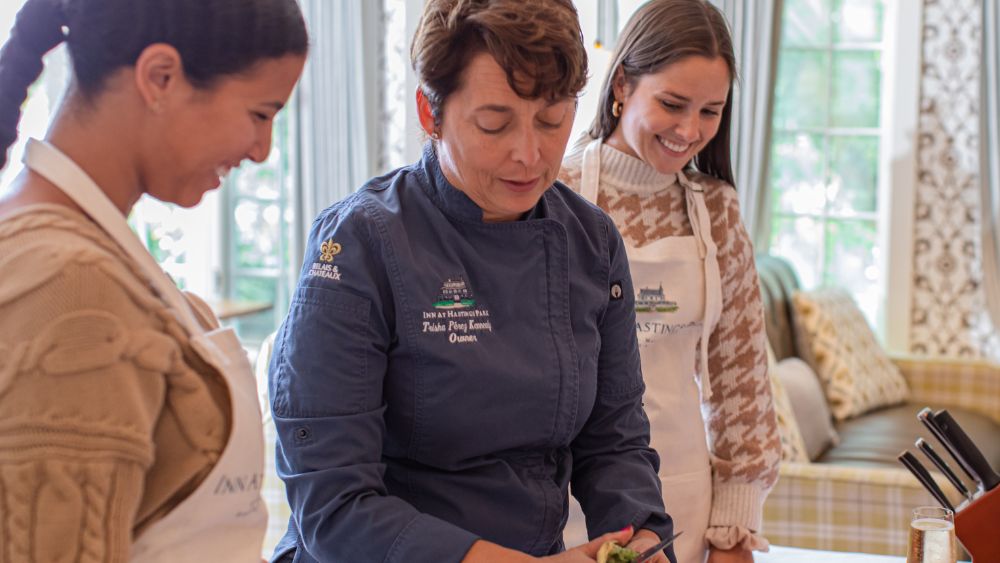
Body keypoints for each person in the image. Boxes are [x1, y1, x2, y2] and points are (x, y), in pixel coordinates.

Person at [267, 1, 673, 562]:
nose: (529, 154)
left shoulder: (591, 243)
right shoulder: (362, 242)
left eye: (553, 121)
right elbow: (334, 504)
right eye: (494, 123)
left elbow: (613, 442)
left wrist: (643, 538)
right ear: (429, 113)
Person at [0, 0, 307, 561]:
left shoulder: (91, 256)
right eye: (260, 114)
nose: (261, 151)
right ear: (160, 77)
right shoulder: (71, 288)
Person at [559, 2, 781, 562]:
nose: (690, 131)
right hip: (563, 501)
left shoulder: (717, 211)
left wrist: (733, 531)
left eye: (711, 111)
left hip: (685, 498)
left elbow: (741, 382)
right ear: (622, 87)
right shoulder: (552, 194)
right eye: (672, 104)